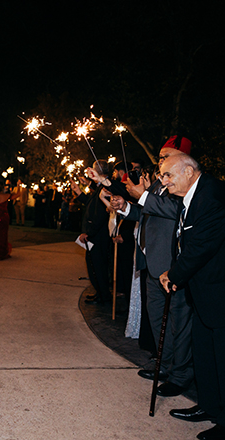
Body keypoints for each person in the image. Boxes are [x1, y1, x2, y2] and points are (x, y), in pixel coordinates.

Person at [111, 137, 193, 397]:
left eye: (167, 156)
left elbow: (172, 210)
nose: (161, 162)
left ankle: (180, 376)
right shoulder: (159, 183)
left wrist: (143, 195)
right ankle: (165, 366)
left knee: (177, 324)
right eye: (159, 157)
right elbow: (145, 212)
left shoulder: (184, 185)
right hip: (151, 263)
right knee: (159, 321)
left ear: (184, 159)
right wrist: (126, 206)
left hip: (171, 267)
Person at [156, 154, 225, 440]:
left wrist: (174, 274)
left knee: (222, 357)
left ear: (188, 171)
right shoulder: (191, 195)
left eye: (168, 175)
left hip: (220, 289)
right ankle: (210, 407)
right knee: (205, 354)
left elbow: (201, 247)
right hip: (203, 289)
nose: (164, 181)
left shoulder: (212, 195)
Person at [71, 161, 111, 304]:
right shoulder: (99, 187)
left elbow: (101, 214)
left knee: (98, 266)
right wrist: (78, 192)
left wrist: (89, 233)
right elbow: (90, 203)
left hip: (98, 236)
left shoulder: (106, 188)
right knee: (93, 265)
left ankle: (103, 296)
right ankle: (99, 293)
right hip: (95, 235)